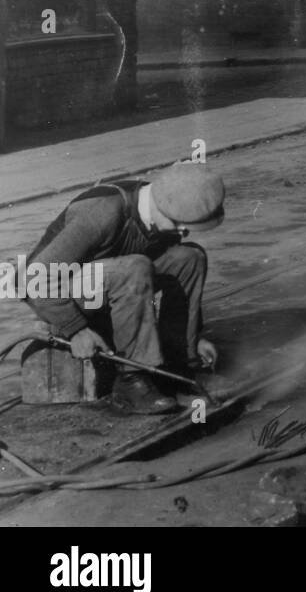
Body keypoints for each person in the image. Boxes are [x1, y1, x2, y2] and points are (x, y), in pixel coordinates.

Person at [24, 163, 225, 415]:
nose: (183, 231)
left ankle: (178, 364)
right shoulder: (99, 213)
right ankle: (131, 382)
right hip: (60, 295)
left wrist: (192, 337)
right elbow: (31, 279)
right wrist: (76, 330)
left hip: (111, 285)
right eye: (181, 225)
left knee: (189, 256)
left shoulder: (158, 210)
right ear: (162, 207)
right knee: (135, 267)